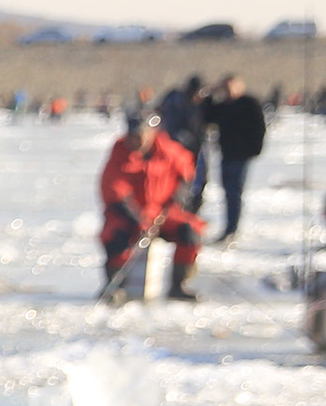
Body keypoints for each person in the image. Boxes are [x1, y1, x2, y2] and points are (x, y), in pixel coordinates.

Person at [98, 108, 203, 302]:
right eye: (132, 136)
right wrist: (138, 220)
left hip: (162, 212)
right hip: (130, 213)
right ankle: (115, 285)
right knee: (115, 236)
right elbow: (114, 191)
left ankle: (179, 284)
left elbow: (187, 173)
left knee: (191, 231)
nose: (135, 141)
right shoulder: (119, 152)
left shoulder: (169, 150)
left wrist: (180, 195)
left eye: (140, 136)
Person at [205, 75, 267, 245]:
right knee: (226, 191)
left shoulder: (249, 104)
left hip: (241, 155)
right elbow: (208, 117)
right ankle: (228, 227)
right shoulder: (223, 106)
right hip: (226, 154)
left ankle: (231, 229)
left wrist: (254, 150)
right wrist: (210, 96)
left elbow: (259, 128)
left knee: (234, 192)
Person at [156, 75, 209, 210]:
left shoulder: (199, 105)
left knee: (197, 181)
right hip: (178, 150)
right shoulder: (176, 103)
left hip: (196, 149)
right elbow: (171, 127)